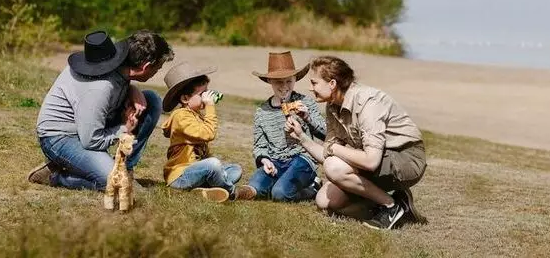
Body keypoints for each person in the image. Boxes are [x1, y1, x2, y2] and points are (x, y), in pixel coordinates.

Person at [284, 55, 427, 230]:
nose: (310, 88)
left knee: (334, 167)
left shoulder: (368, 103)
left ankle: (391, 206)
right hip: (379, 159)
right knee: (324, 201)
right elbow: (328, 154)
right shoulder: (333, 106)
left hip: (406, 157)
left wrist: (334, 148)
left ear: (332, 84)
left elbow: (370, 161)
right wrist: (301, 137)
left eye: (314, 83)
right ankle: (399, 203)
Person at [27, 29, 173, 190]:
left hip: (87, 126)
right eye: (157, 68)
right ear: (146, 67)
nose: (157, 72)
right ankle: (56, 177)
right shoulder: (100, 88)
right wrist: (124, 128)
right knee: (119, 183)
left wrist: (132, 89)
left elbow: (115, 83)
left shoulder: (114, 62)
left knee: (151, 100)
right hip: (61, 138)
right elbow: (91, 140)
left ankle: (125, 168)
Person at [161, 61, 256, 203]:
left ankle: (204, 191)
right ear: (185, 98)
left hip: (195, 172)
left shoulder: (196, 115)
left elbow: (203, 153)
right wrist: (210, 107)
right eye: (202, 94)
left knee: (235, 169)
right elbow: (208, 134)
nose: (207, 97)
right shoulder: (180, 116)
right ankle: (232, 193)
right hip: (179, 176)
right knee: (213, 165)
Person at [248, 51, 326, 202]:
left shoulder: (306, 102)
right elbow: (259, 146)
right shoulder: (262, 112)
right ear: (270, 81)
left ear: (295, 79)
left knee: (279, 193)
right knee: (255, 187)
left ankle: (313, 188)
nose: (284, 87)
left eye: (289, 81)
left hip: (302, 158)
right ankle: (238, 192)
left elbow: (325, 133)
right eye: (279, 82)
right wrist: (264, 160)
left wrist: (307, 118)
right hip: (275, 160)